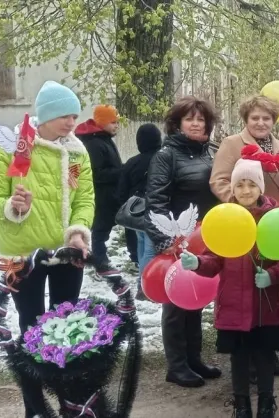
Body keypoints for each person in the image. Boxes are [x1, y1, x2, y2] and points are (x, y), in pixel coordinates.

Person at [0, 80, 94, 418]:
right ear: (44, 116)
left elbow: (84, 197)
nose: (71, 122)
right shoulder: (13, 147)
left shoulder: (76, 151)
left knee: (63, 328)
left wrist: (78, 232)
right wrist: (14, 205)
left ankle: (66, 400)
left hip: (66, 253)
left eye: (74, 116)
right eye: (64, 115)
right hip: (22, 255)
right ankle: (35, 407)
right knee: (32, 328)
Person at [181, 153, 279, 418]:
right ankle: (241, 404)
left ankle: (267, 403)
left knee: (265, 355)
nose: (246, 190)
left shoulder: (273, 217)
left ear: (260, 187)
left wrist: (272, 275)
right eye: (240, 185)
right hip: (232, 303)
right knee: (239, 358)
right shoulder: (224, 219)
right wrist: (197, 263)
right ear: (232, 188)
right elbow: (214, 260)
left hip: (264, 304)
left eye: (251, 184)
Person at [210, 94, 279, 376]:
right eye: (255, 118)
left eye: (267, 118)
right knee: (243, 290)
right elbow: (219, 180)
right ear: (246, 119)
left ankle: (269, 354)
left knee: (270, 291)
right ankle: (244, 359)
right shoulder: (233, 144)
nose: (261, 123)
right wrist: (240, 207)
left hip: (275, 228)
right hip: (242, 226)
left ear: (274, 121)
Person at [146, 96, 222, 388]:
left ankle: (194, 360)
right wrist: (166, 239)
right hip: (176, 238)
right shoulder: (166, 155)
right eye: (189, 119)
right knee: (175, 303)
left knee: (195, 298)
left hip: (203, 238)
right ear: (177, 124)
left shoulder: (208, 153)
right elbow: (156, 200)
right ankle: (176, 365)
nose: (195, 123)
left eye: (200, 119)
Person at [116, 123, 162, 298]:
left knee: (142, 247)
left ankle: (144, 284)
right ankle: (144, 286)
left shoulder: (132, 162)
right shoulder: (162, 159)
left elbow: (121, 190)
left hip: (136, 212)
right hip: (155, 210)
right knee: (150, 250)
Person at [75, 104, 122, 276]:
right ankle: (100, 262)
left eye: (117, 122)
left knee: (103, 229)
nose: (116, 125)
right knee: (100, 230)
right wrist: (121, 171)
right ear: (102, 122)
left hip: (108, 193)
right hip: (100, 194)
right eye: (113, 122)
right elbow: (97, 173)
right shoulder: (94, 143)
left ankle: (100, 259)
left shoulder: (103, 138)